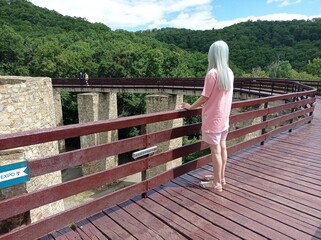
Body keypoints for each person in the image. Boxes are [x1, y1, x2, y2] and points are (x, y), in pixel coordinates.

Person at [181, 40, 234, 192]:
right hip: (224, 118)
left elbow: (205, 97)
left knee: (215, 151)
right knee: (222, 148)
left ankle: (216, 184)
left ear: (213, 54)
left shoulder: (212, 74)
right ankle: (220, 177)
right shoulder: (229, 73)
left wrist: (191, 107)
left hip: (213, 119)